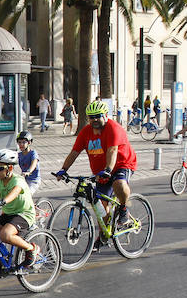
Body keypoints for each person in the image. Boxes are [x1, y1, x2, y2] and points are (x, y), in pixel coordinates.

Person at [56, 100, 137, 248]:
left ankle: (123, 208)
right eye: (90, 117)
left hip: (122, 164)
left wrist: (108, 169)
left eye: (97, 116)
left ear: (105, 115)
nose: (94, 120)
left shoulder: (113, 128)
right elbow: (74, 152)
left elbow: (112, 150)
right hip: (101, 171)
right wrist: (63, 169)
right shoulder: (86, 132)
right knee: (101, 206)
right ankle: (104, 235)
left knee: (119, 183)